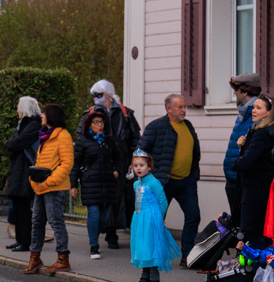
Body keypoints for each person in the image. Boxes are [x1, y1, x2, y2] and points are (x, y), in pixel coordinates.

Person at [138, 94, 201, 266]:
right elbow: (140, 151)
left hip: (186, 181)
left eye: (184, 107)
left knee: (193, 216)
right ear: (169, 108)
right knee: (156, 219)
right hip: (163, 182)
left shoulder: (187, 125)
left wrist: (194, 173)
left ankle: (187, 256)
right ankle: (150, 257)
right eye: (179, 107)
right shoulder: (156, 127)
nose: (183, 110)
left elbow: (195, 151)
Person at [79, 80, 141, 245]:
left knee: (122, 197)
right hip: (99, 163)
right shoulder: (91, 114)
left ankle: (122, 230)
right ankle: (109, 233)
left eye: (98, 94)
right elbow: (82, 137)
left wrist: (134, 158)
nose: (95, 98)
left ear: (108, 94)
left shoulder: (124, 113)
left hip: (122, 162)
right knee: (104, 198)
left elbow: (135, 138)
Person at [23, 103, 74, 275]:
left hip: (55, 187)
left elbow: (66, 164)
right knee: (37, 222)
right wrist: (33, 180)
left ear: (51, 116)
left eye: (44, 113)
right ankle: (35, 258)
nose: (42, 116)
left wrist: (50, 181)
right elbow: (40, 163)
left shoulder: (63, 136)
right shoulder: (45, 136)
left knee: (55, 221)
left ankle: (63, 259)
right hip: (40, 187)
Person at [233, 94, 274, 250]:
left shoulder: (261, 134)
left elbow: (247, 162)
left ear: (269, 112)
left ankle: (258, 273)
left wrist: (236, 161)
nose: (253, 111)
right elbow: (263, 159)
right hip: (269, 189)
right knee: (266, 236)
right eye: (253, 107)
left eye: (258, 108)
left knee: (255, 238)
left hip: (255, 192)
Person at [128, 149, 181, 282]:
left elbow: (162, 201)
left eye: (142, 165)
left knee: (151, 247)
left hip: (151, 219)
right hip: (140, 219)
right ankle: (144, 278)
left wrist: (159, 218)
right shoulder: (136, 184)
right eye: (135, 165)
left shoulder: (154, 183)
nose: (138, 168)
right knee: (142, 247)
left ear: (149, 167)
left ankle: (154, 280)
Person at [71, 109, 119, 259]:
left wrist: (116, 170)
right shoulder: (83, 141)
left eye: (102, 122)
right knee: (94, 214)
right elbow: (75, 164)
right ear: (89, 125)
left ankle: (94, 236)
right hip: (90, 183)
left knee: (104, 218)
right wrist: (73, 185)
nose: (100, 125)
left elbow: (118, 158)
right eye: (96, 122)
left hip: (108, 184)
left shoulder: (109, 141)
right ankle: (93, 245)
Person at [3, 96, 41, 253]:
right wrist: (11, 145)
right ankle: (20, 239)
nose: (17, 111)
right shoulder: (24, 125)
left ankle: (26, 241)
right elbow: (13, 144)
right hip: (19, 168)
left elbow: (16, 143)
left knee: (24, 208)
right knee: (18, 206)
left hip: (26, 169)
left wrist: (11, 145)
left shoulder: (32, 125)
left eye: (19, 107)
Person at [224, 72, 261, 225]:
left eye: (236, 90)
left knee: (244, 225)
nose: (234, 93)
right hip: (233, 177)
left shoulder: (256, 113)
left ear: (245, 91)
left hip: (243, 179)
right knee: (237, 223)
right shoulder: (244, 111)